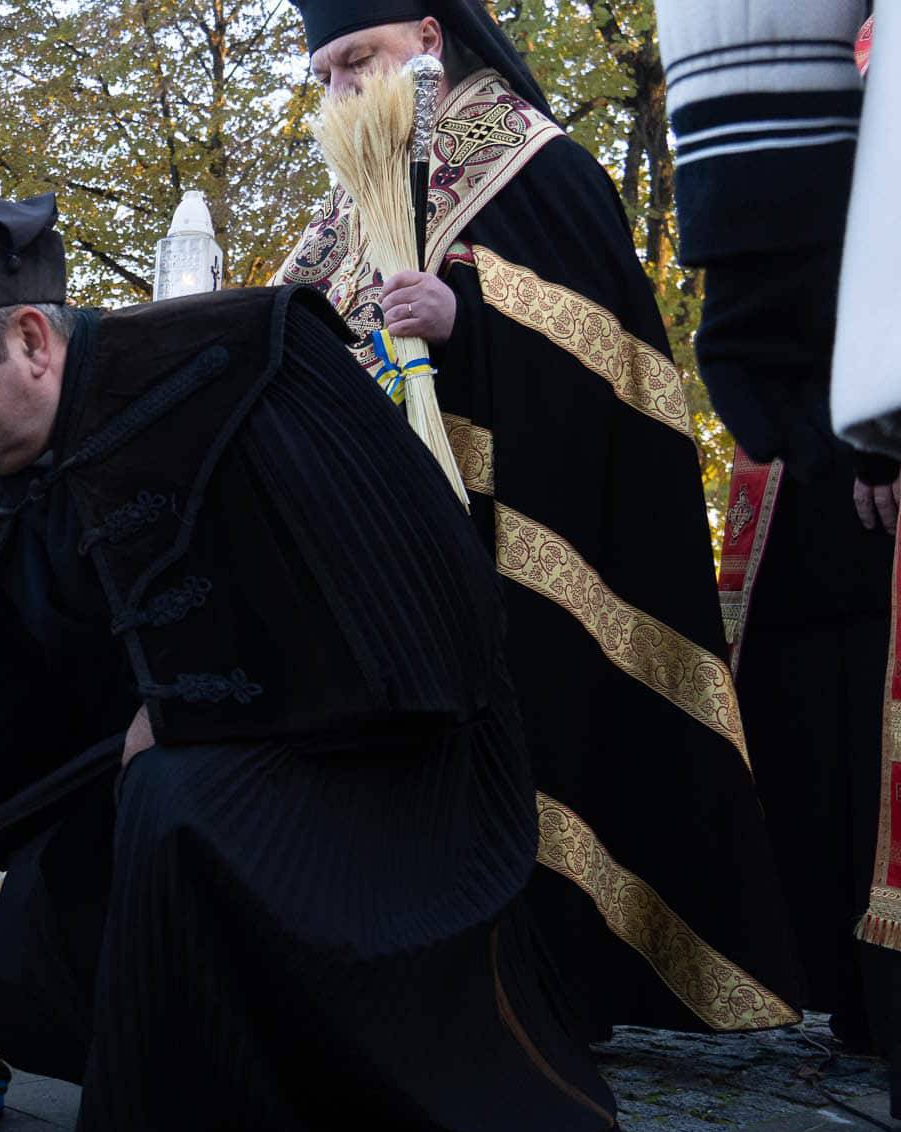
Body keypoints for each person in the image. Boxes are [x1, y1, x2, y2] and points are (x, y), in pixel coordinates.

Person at [0, 190, 628, 1132]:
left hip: (386, 791)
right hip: (186, 776)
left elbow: (419, 618)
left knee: (174, 802)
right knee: (30, 962)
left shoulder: (241, 363)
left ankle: (295, 1125)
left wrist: (185, 712)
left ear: (31, 338)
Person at [277, 0, 801, 1042]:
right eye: (327, 73)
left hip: (510, 538)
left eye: (360, 59)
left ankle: (543, 990)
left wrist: (467, 319)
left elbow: (620, 365)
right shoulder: (344, 207)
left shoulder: (534, 164)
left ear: (427, 40)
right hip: (380, 549)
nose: (343, 89)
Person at [661, 0, 895, 1104]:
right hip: (833, 503)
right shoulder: (795, 102)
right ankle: (861, 996)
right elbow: (744, 341)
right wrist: (857, 442)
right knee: (838, 742)